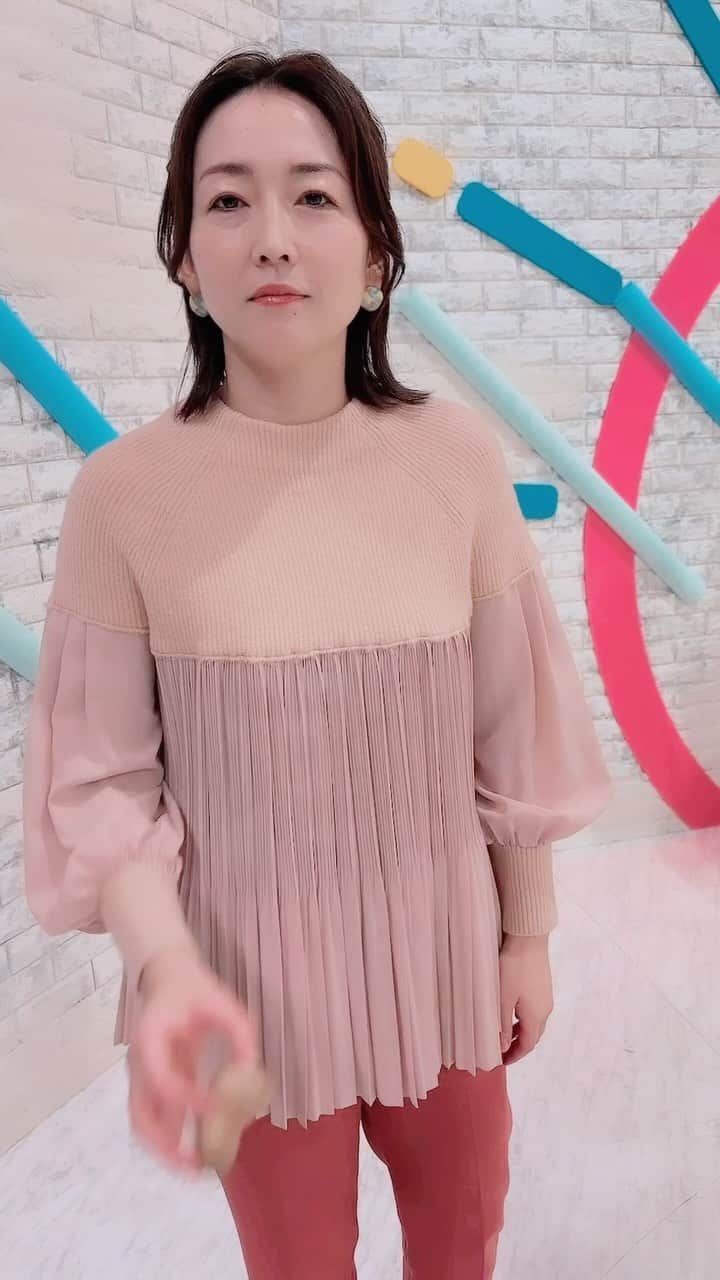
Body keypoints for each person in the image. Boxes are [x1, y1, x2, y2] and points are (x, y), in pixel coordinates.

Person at [22, 49, 609, 1279]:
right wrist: (166, 965)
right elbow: (102, 782)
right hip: (241, 987)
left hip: (446, 954)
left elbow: (510, 722)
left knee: (464, 1238)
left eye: (315, 195)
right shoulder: (122, 496)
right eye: (228, 199)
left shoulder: (455, 458)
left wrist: (527, 932)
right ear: (185, 257)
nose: (273, 237)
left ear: (378, 253)